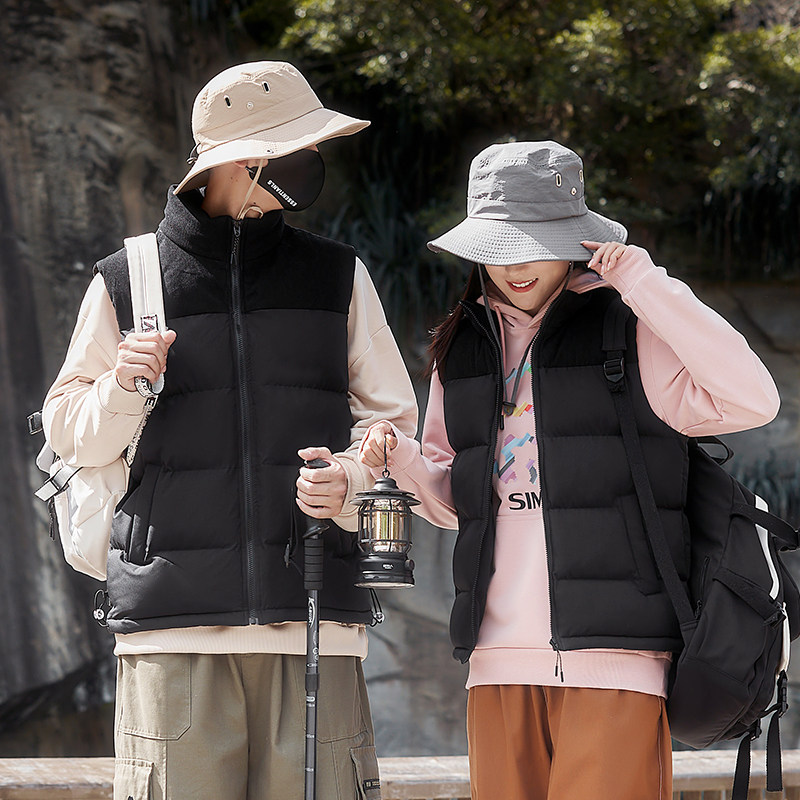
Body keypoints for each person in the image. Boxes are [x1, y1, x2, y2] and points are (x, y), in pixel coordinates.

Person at [359, 140, 780, 800]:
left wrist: (644, 283)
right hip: (495, 660)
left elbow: (752, 398)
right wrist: (403, 459)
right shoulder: (462, 346)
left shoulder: (627, 325)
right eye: (499, 247)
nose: (514, 264)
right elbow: (453, 503)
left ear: (574, 238)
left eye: (534, 243)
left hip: (616, 658)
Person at [42, 61, 417, 800]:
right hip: (171, 628)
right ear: (246, 162)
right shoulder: (128, 278)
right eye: (300, 150)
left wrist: (350, 479)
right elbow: (69, 432)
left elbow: (394, 425)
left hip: (315, 619)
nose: (313, 163)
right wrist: (122, 386)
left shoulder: (338, 276)